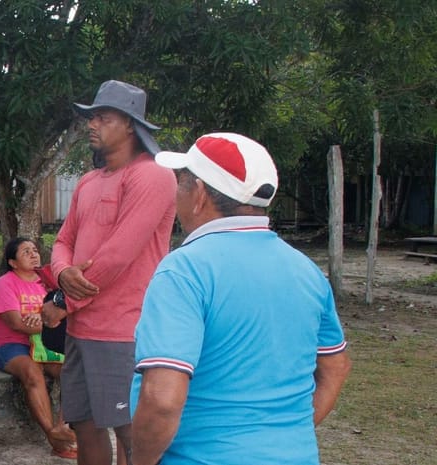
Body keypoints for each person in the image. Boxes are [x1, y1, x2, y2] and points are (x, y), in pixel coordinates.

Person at [130, 132, 352, 465]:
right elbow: (335, 368)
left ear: (199, 194)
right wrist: (283, 438)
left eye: (181, 183)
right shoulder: (305, 271)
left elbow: (162, 398)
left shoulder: (184, 270)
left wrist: (141, 461)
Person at [43, 80, 177, 465]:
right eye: (91, 117)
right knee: (84, 426)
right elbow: (63, 240)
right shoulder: (88, 181)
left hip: (123, 329)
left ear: (131, 126)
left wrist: (64, 300)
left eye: (103, 117)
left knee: (128, 428)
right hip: (81, 329)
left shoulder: (152, 176)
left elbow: (118, 255)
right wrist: (63, 272)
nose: (92, 124)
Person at [0, 237, 77, 460]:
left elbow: (65, 316)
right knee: (32, 373)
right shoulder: (4, 284)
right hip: (12, 346)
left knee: (73, 371)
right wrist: (48, 322)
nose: (33, 254)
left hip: (46, 345)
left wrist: (41, 321)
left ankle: (64, 428)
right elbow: (16, 323)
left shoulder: (48, 282)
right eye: (25, 252)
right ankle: (52, 436)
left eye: (35, 250)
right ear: (12, 262)